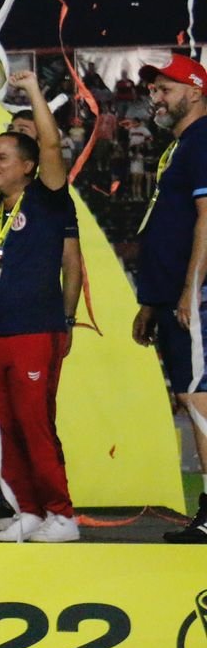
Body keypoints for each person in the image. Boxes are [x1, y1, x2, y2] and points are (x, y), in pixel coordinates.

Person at [0, 71, 81, 542]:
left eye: (2, 157)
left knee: (33, 423)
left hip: (33, 328)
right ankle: (26, 508)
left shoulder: (48, 200)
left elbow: (50, 146)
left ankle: (62, 514)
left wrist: (31, 90)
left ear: (28, 166)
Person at [131, 53, 207, 543]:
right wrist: (152, 301)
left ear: (195, 90)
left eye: (166, 89)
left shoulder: (202, 140)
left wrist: (189, 290)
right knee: (192, 394)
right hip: (173, 297)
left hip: (195, 298)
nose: (155, 98)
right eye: (154, 90)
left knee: (199, 397)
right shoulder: (182, 145)